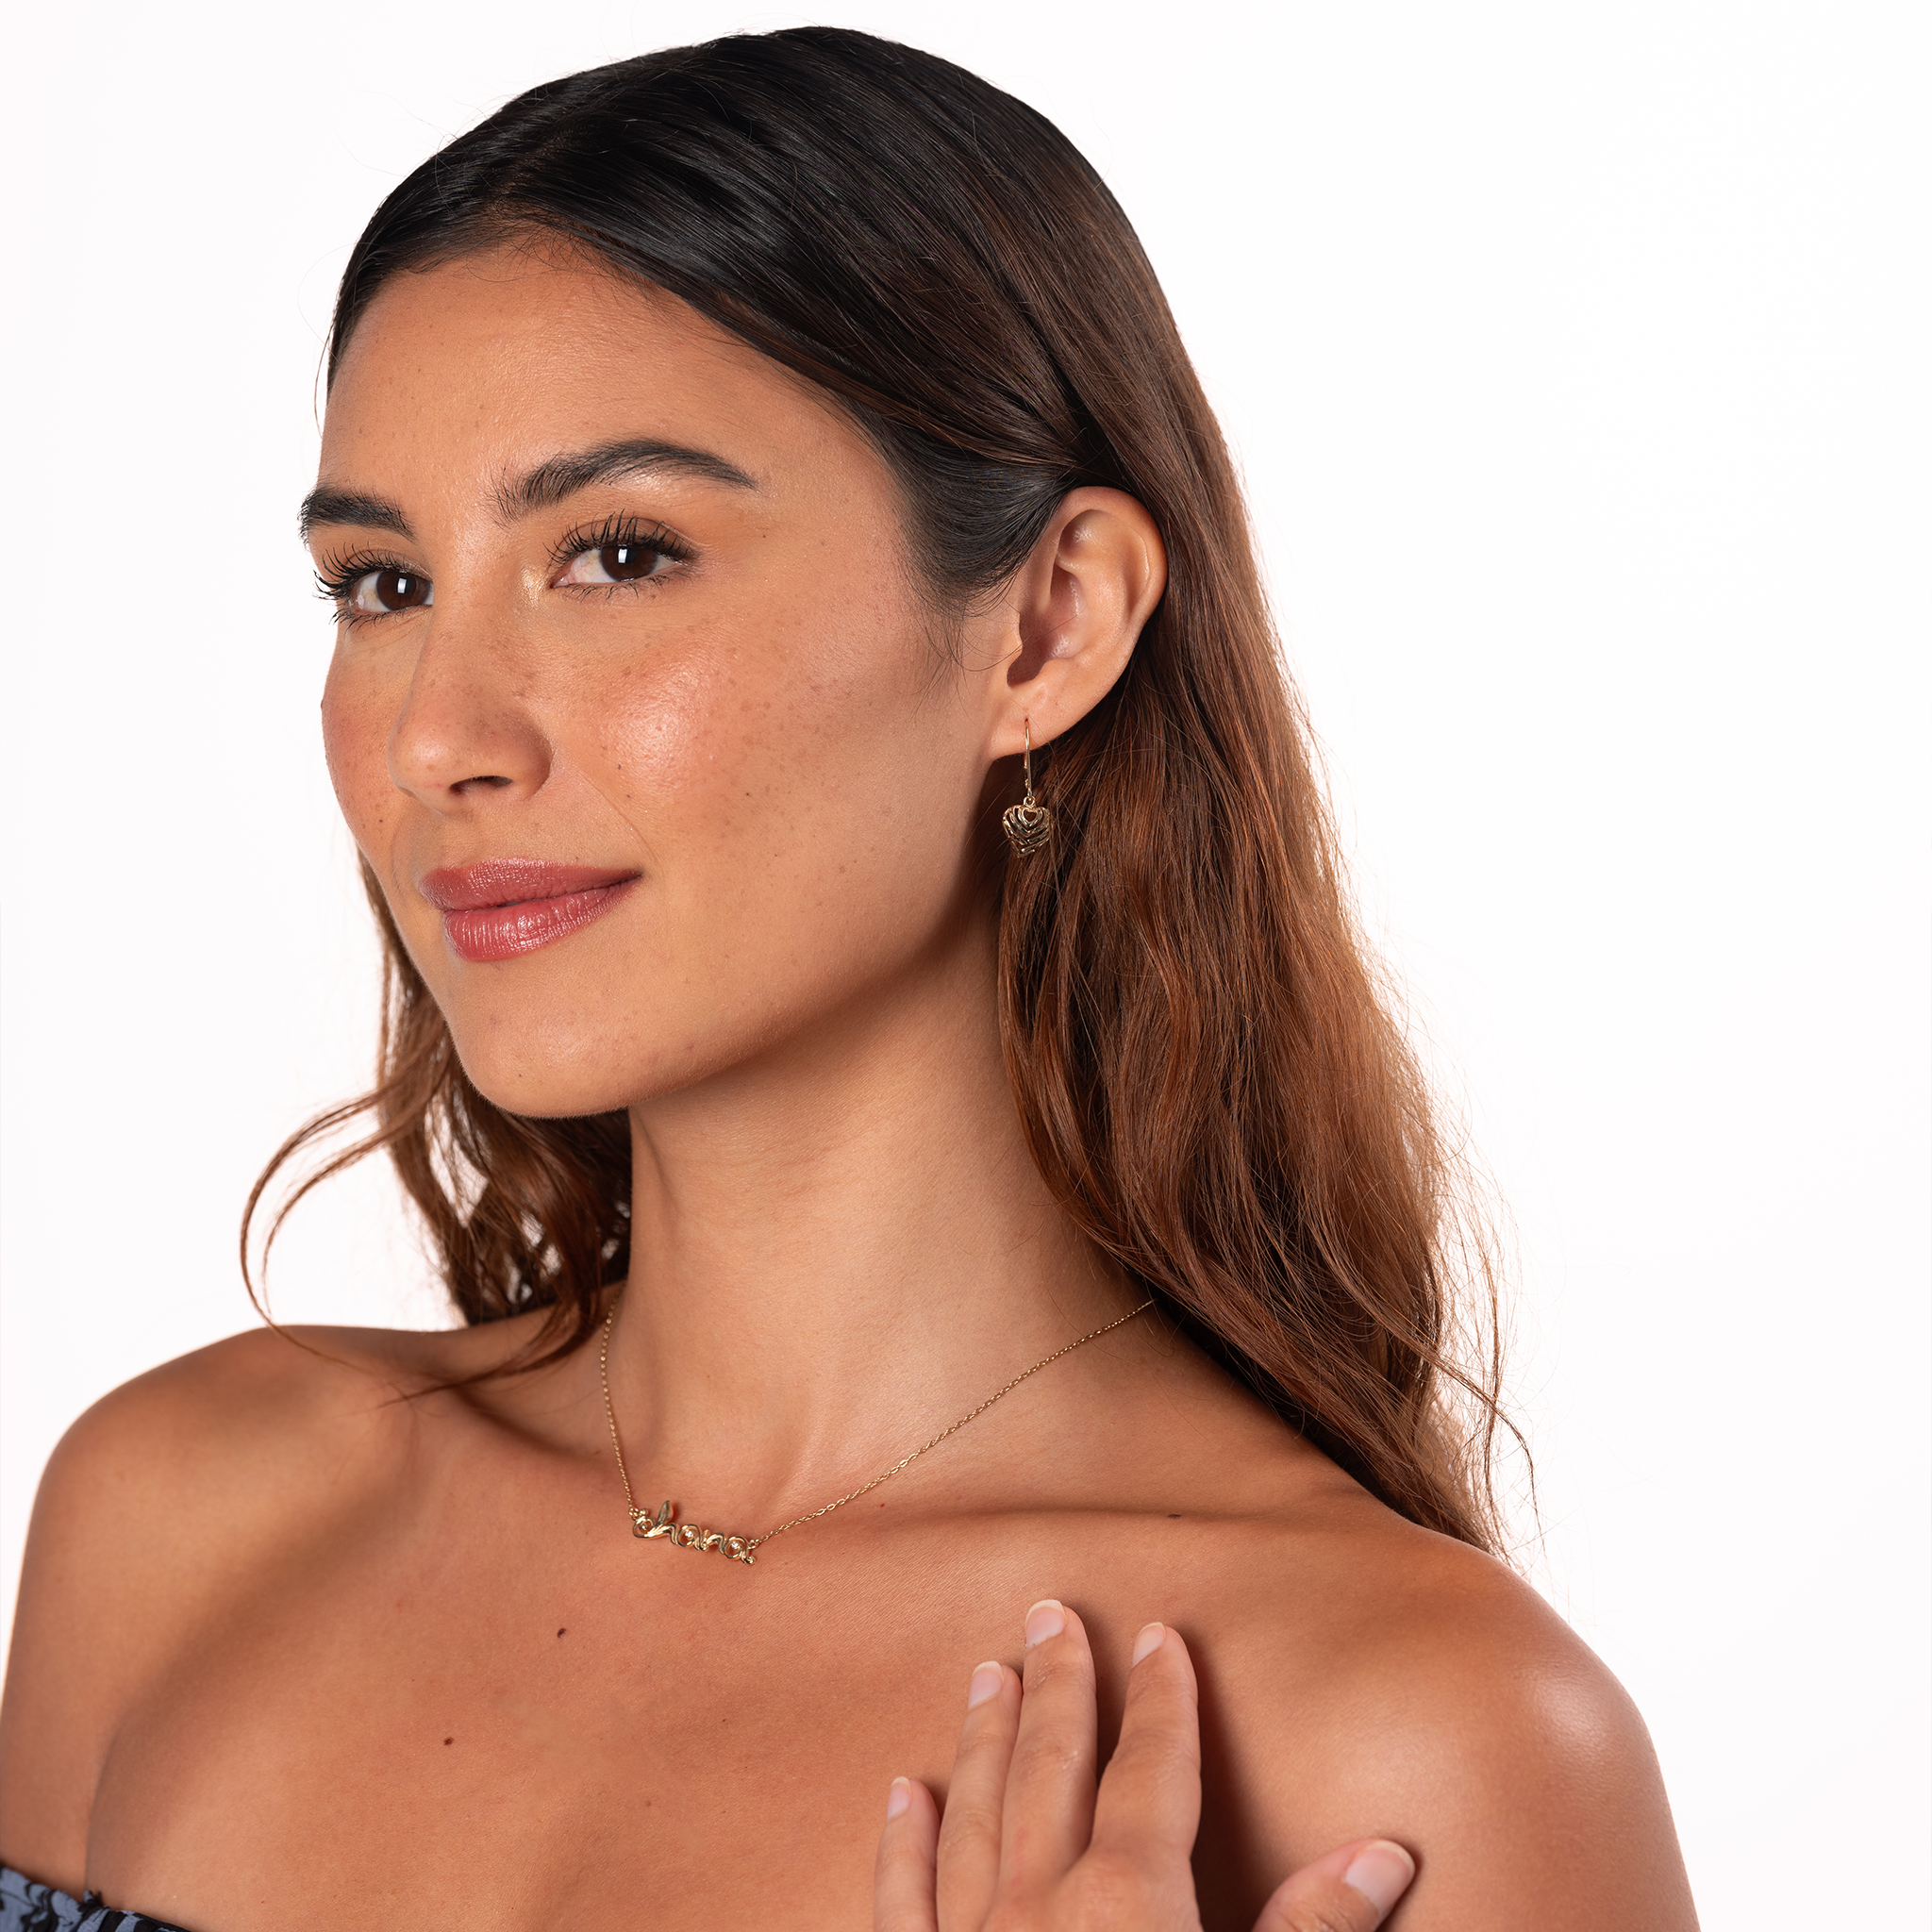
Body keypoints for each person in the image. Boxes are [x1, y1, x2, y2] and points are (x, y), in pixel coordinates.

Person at [0, 27, 1697, 1931]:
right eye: (381, 586)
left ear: (1047, 627)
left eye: (618, 553)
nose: (437, 740)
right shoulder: (178, 1526)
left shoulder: (1405, 1748)